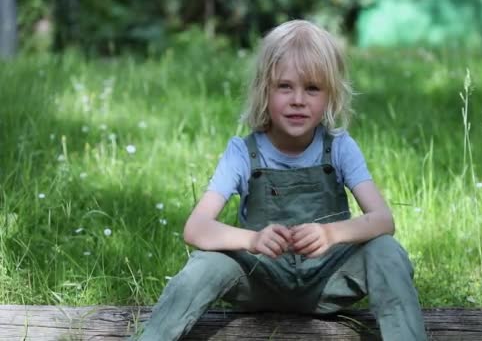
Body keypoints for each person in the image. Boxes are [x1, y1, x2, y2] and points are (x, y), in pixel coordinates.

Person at [135, 19, 426, 341]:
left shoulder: (339, 146)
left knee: (386, 251)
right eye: (284, 86)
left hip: (327, 281)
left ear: (330, 95)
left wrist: (331, 234)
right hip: (260, 280)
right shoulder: (242, 152)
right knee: (206, 262)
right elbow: (196, 229)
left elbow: (383, 221)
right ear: (264, 90)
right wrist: (253, 241)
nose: (298, 99)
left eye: (312, 88)